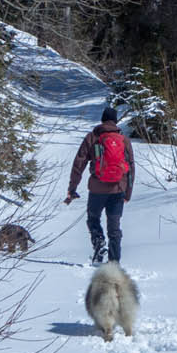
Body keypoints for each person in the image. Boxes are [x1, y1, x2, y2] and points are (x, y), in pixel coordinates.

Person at [67, 105, 136, 264]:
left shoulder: (92, 137)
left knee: (93, 219)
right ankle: (114, 262)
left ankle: (98, 242)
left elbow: (79, 164)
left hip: (97, 189)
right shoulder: (124, 140)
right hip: (118, 189)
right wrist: (128, 192)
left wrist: (72, 188)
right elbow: (131, 167)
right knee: (114, 227)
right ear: (116, 121)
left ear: (102, 120)